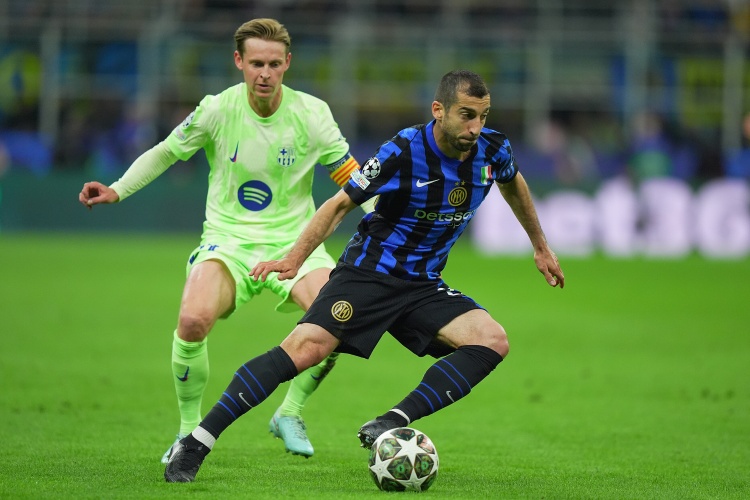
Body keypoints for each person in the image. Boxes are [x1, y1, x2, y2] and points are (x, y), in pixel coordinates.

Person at [164, 69, 565, 483]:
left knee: (492, 340)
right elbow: (339, 204)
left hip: (423, 283)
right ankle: (195, 443)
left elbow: (513, 183)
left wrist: (540, 246)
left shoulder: (494, 149)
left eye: (482, 116)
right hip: (369, 274)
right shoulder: (403, 150)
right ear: (438, 110)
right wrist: (295, 259)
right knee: (304, 349)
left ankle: (391, 421)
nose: (475, 127)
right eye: (466, 115)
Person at [78, 18, 374, 462]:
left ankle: (290, 412)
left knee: (339, 321)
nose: (264, 74)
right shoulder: (216, 110)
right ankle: (187, 432)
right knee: (192, 320)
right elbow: (167, 151)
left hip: (295, 244)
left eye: (273, 64)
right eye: (256, 63)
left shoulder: (313, 114)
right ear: (239, 61)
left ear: (287, 63)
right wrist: (118, 188)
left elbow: (351, 177)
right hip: (228, 241)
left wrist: (384, 218)